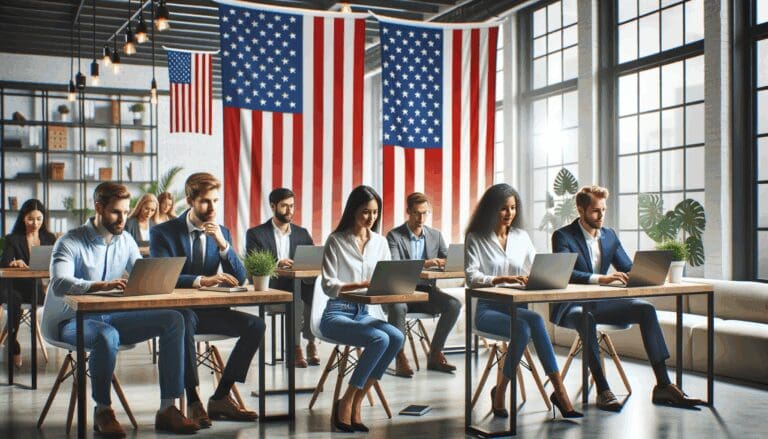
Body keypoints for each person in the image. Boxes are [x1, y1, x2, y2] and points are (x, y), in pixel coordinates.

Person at [42, 182, 198, 436]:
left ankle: (168, 409)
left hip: (112, 316)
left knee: (174, 319)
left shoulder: (125, 240)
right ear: (98, 208)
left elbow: (141, 273)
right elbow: (59, 284)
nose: (123, 219)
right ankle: (103, 410)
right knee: (106, 335)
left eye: (126, 212)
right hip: (71, 321)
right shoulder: (70, 241)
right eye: (116, 212)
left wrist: (158, 279)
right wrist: (99, 285)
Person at [551, 185, 705, 411]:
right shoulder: (563, 236)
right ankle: (603, 390)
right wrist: (600, 279)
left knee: (645, 308)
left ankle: (663, 384)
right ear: (581, 210)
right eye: (595, 210)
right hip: (571, 305)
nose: (601, 215)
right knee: (586, 318)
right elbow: (565, 273)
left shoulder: (610, 235)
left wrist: (645, 272)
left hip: (601, 303)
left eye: (603, 209)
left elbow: (626, 267)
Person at [150, 172, 264, 427]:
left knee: (256, 325)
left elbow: (240, 277)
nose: (212, 208)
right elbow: (162, 276)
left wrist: (224, 246)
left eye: (216, 201)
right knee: (186, 319)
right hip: (178, 314)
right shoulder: (163, 233)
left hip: (211, 312)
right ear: (189, 200)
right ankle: (193, 400)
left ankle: (221, 396)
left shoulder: (221, 231)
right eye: (205, 201)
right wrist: (203, 280)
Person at [465, 183, 581, 419]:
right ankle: (502, 393)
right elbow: (471, 276)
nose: (509, 214)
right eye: (503, 208)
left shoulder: (521, 236)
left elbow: (534, 267)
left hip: (517, 305)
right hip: (486, 309)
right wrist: (500, 278)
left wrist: (540, 276)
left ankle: (558, 390)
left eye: (513, 208)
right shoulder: (476, 237)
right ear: (491, 209)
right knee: (523, 327)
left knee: (533, 320)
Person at [320, 185, 404, 433]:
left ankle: (357, 399)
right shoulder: (336, 240)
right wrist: (361, 284)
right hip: (337, 312)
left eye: (375, 213)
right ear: (353, 210)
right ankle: (346, 400)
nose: (371, 218)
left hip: (364, 313)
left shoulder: (380, 242)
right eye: (366, 212)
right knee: (379, 338)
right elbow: (328, 284)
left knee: (397, 337)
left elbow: (386, 278)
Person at [383, 192, 461, 376]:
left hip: (427, 291)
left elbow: (446, 261)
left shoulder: (435, 235)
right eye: (417, 213)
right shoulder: (394, 236)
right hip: (401, 292)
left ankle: (435, 353)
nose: (421, 218)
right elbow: (396, 267)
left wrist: (451, 262)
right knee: (398, 308)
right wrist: (427, 263)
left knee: (454, 305)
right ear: (408, 211)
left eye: (425, 213)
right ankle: (399, 355)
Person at [245, 187, 318, 368]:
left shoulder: (302, 233)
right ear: (273, 206)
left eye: (292, 206)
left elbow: (313, 261)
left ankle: (310, 343)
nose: (290, 211)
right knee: (297, 300)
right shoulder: (255, 234)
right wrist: (277, 264)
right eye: (285, 206)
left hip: (300, 285)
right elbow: (253, 267)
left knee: (314, 295)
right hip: (273, 288)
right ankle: (294, 349)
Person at [0, 199, 56, 368]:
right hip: (13, 286)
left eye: (39, 219)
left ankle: (10, 336)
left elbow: (57, 262)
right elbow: (4, 262)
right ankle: (13, 342)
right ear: (23, 218)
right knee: (14, 298)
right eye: (31, 219)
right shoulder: (12, 239)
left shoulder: (49, 238)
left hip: (36, 290)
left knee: (23, 297)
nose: (35, 223)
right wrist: (13, 263)